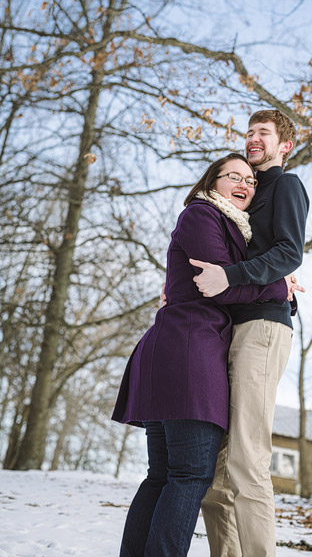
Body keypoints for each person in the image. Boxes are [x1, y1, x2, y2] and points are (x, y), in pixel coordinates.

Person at [112, 153, 289, 557]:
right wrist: (277, 288)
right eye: (234, 176)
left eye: (251, 179)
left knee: (162, 476)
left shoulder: (226, 225)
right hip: (189, 350)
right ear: (212, 182)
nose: (245, 183)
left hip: (172, 349)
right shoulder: (203, 215)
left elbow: (225, 276)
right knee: (190, 476)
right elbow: (219, 286)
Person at [192, 110, 309, 557]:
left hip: (263, 326)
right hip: (226, 330)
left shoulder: (286, 185)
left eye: (263, 133)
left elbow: (289, 251)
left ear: (284, 146)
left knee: (247, 458)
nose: (252, 139)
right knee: (215, 472)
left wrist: (232, 276)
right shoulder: (239, 199)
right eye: (249, 132)